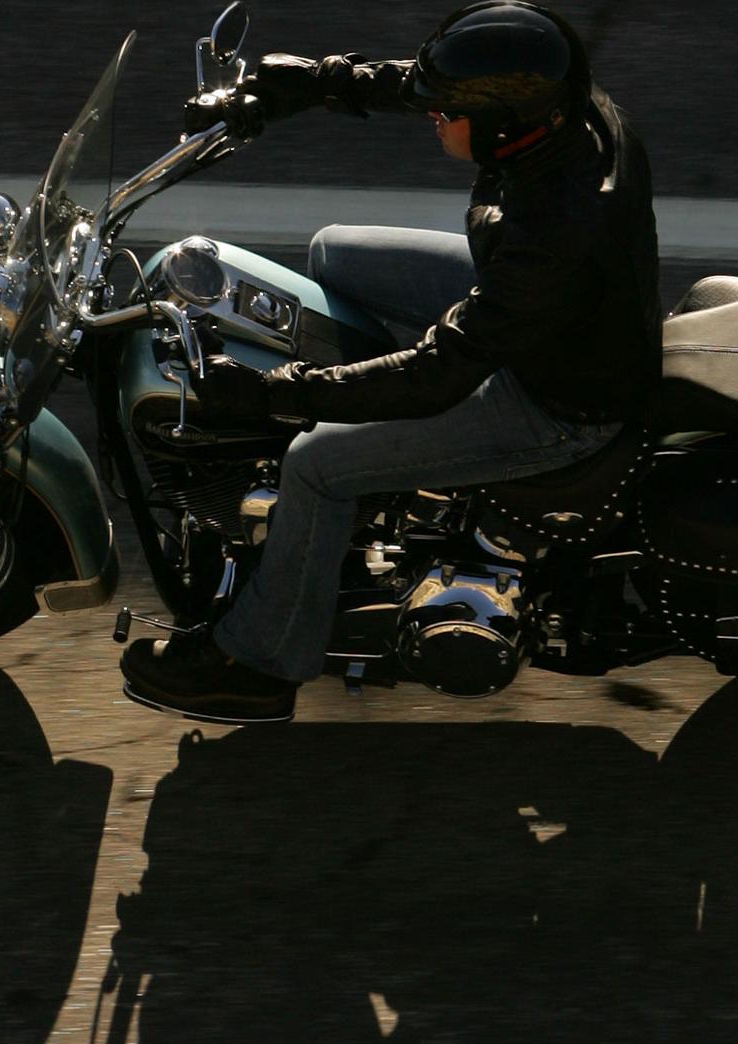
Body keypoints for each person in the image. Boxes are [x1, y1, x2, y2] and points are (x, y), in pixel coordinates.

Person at [120, 0, 660, 723]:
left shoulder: (562, 224)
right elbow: (419, 86)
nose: (433, 116)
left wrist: (280, 395)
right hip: (544, 312)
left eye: (448, 113)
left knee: (316, 463)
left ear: (500, 125)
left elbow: (439, 372)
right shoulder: (562, 114)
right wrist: (307, 82)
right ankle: (365, 485)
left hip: (555, 401)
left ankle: (257, 664)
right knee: (333, 252)